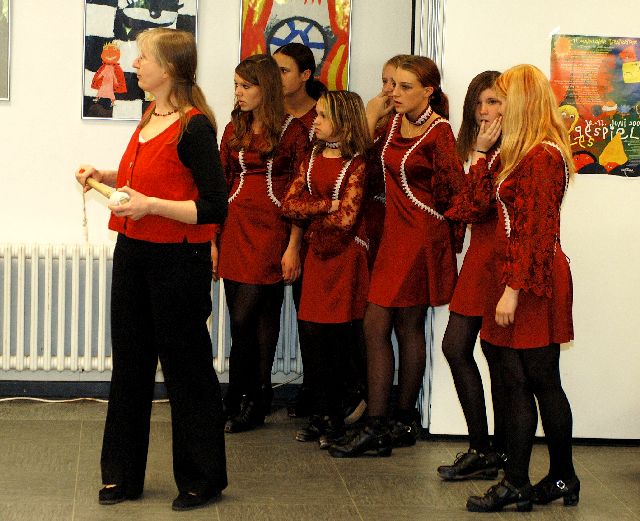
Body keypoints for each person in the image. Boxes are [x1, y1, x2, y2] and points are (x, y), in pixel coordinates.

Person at [75, 28, 228, 511]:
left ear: (171, 69)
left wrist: (152, 206)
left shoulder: (195, 127)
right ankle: (121, 475)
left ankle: (202, 478)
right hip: (134, 254)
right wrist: (106, 176)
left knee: (186, 369)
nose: (136, 64)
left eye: (144, 58)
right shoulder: (150, 115)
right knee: (131, 365)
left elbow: (214, 206)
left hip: (178, 260)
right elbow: (147, 181)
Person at [329, 55, 464, 458]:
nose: (395, 93)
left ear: (428, 91)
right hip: (393, 233)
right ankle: (399, 421)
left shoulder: (440, 132)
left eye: (406, 87)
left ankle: (381, 424)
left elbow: (454, 193)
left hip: (420, 234)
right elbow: (361, 164)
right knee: (405, 326)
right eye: (393, 85)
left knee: (379, 325)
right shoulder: (391, 125)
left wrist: (447, 244)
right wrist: (371, 115)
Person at [465, 64, 578, 513]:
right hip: (518, 274)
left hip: (532, 279)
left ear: (523, 102)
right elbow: (473, 206)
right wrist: (480, 152)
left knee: (535, 380)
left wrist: (512, 289)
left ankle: (534, 479)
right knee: (525, 379)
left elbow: (536, 231)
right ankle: (548, 477)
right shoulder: (516, 152)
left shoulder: (542, 156)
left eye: (504, 96)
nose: (496, 107)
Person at [214, 54, 308, 433]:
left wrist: (294, 245)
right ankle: (249, 395)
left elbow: (301, 189)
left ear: (265, 88)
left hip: (273, 228)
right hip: (234, 226)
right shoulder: (233, 127)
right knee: (248, 319)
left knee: (247, 318)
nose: (238, 93)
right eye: (236, 85)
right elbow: (219, 183)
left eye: (246, 86)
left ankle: (248, 396)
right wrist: (213, 240)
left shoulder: (293, 131)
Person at [282, 90, 372, 448]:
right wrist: (326, 205)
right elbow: (289, 204)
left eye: (322, 116)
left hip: (344, 259)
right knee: (312, 336)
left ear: (344, 122)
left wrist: (316, 210)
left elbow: (347, 218)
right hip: (317, 256)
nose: (314, 121)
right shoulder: (312, 157)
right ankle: (320, 414)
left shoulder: (358, 164)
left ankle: (335, 418)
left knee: (336, 340)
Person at [436, 71, 508, 481]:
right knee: (457, 347)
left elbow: (473, 206)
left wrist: (479, 156)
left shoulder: (507, 151)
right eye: (478, 103)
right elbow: (465, 206)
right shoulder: (482, 148)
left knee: (498, 358)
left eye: (493, 102)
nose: (484, 111)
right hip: (480, 256)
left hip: (499, 259)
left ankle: (496, 451)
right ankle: (483, 448)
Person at [273, 42, 328, 419]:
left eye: (284, 71)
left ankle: (316, 391)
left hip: (312, 227)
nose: (277, 78)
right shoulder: (270, 113)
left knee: (310, 317)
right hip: (269, 222)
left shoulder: (320, 117)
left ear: (305, 75)